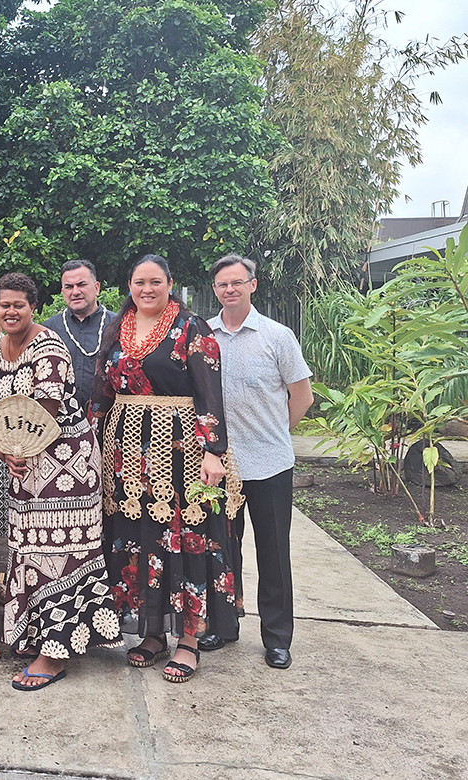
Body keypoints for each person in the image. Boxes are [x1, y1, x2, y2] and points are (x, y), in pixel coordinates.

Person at [93, 254, 243, 683]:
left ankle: (190, 641)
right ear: (129, 285)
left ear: (170, 283)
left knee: (186, 537)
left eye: (155, 282)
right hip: (125, 452)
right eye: (139, 282)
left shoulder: (191, 329)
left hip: (179, 449)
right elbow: (102, 391)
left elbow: (209, 392)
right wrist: (92, 437)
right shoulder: (115, 327)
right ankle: (153, 632)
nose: (147, 289)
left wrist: (213, 451)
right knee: (139, 538)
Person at [0, 272, 122, 690]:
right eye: (4, 305)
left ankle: (55, 655)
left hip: (66, 464)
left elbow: (41, 412)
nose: (11, 312)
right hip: (23, 464)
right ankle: (33, 634)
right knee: (28, 550)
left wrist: (16, 450)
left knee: (61, 553)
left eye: (19, 305)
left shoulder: (48, 348)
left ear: (33, 306)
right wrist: (8, 453)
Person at [202, 254, 313, 669]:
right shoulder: (203, 335)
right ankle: (223, 625)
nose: (228, 290)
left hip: (269, 465)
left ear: (252, 284)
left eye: (236, 282)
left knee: (273, 553)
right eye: (221, 284)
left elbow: (301, 397)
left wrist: (275, 433)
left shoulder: (277, 336)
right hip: (216, 467)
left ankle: (277, 637)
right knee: (221, 550)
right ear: (214, 289)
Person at [45, 260, 115, 401]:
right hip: (62, 418)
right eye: (69, 287)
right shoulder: (48, 330)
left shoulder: (118, 325)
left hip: (108, 416)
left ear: (96, 288)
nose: (75, 292)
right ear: (63, 292)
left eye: (81, 285)